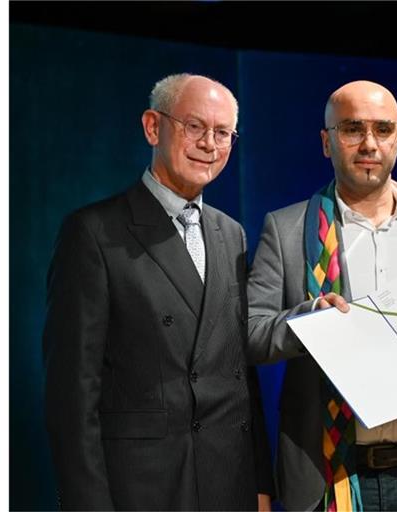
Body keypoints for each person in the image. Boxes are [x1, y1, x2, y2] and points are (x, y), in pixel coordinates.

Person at [43, 73, 273, 511]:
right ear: (153, 126)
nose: (209, 143)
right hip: (143, 489)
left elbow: (240, 375)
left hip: (228, 484)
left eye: (222, 133)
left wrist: (260, 485)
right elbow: (72, 396)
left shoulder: (233, 234)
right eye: (194, 126)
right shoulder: (93, 232)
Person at [247, 80, 397, 511]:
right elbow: (251, 334)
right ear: (327, 143)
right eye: (352, 129)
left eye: (383, 130)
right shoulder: (286, 229)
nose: (369, 143)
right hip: (333, 476)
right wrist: (310, 318)